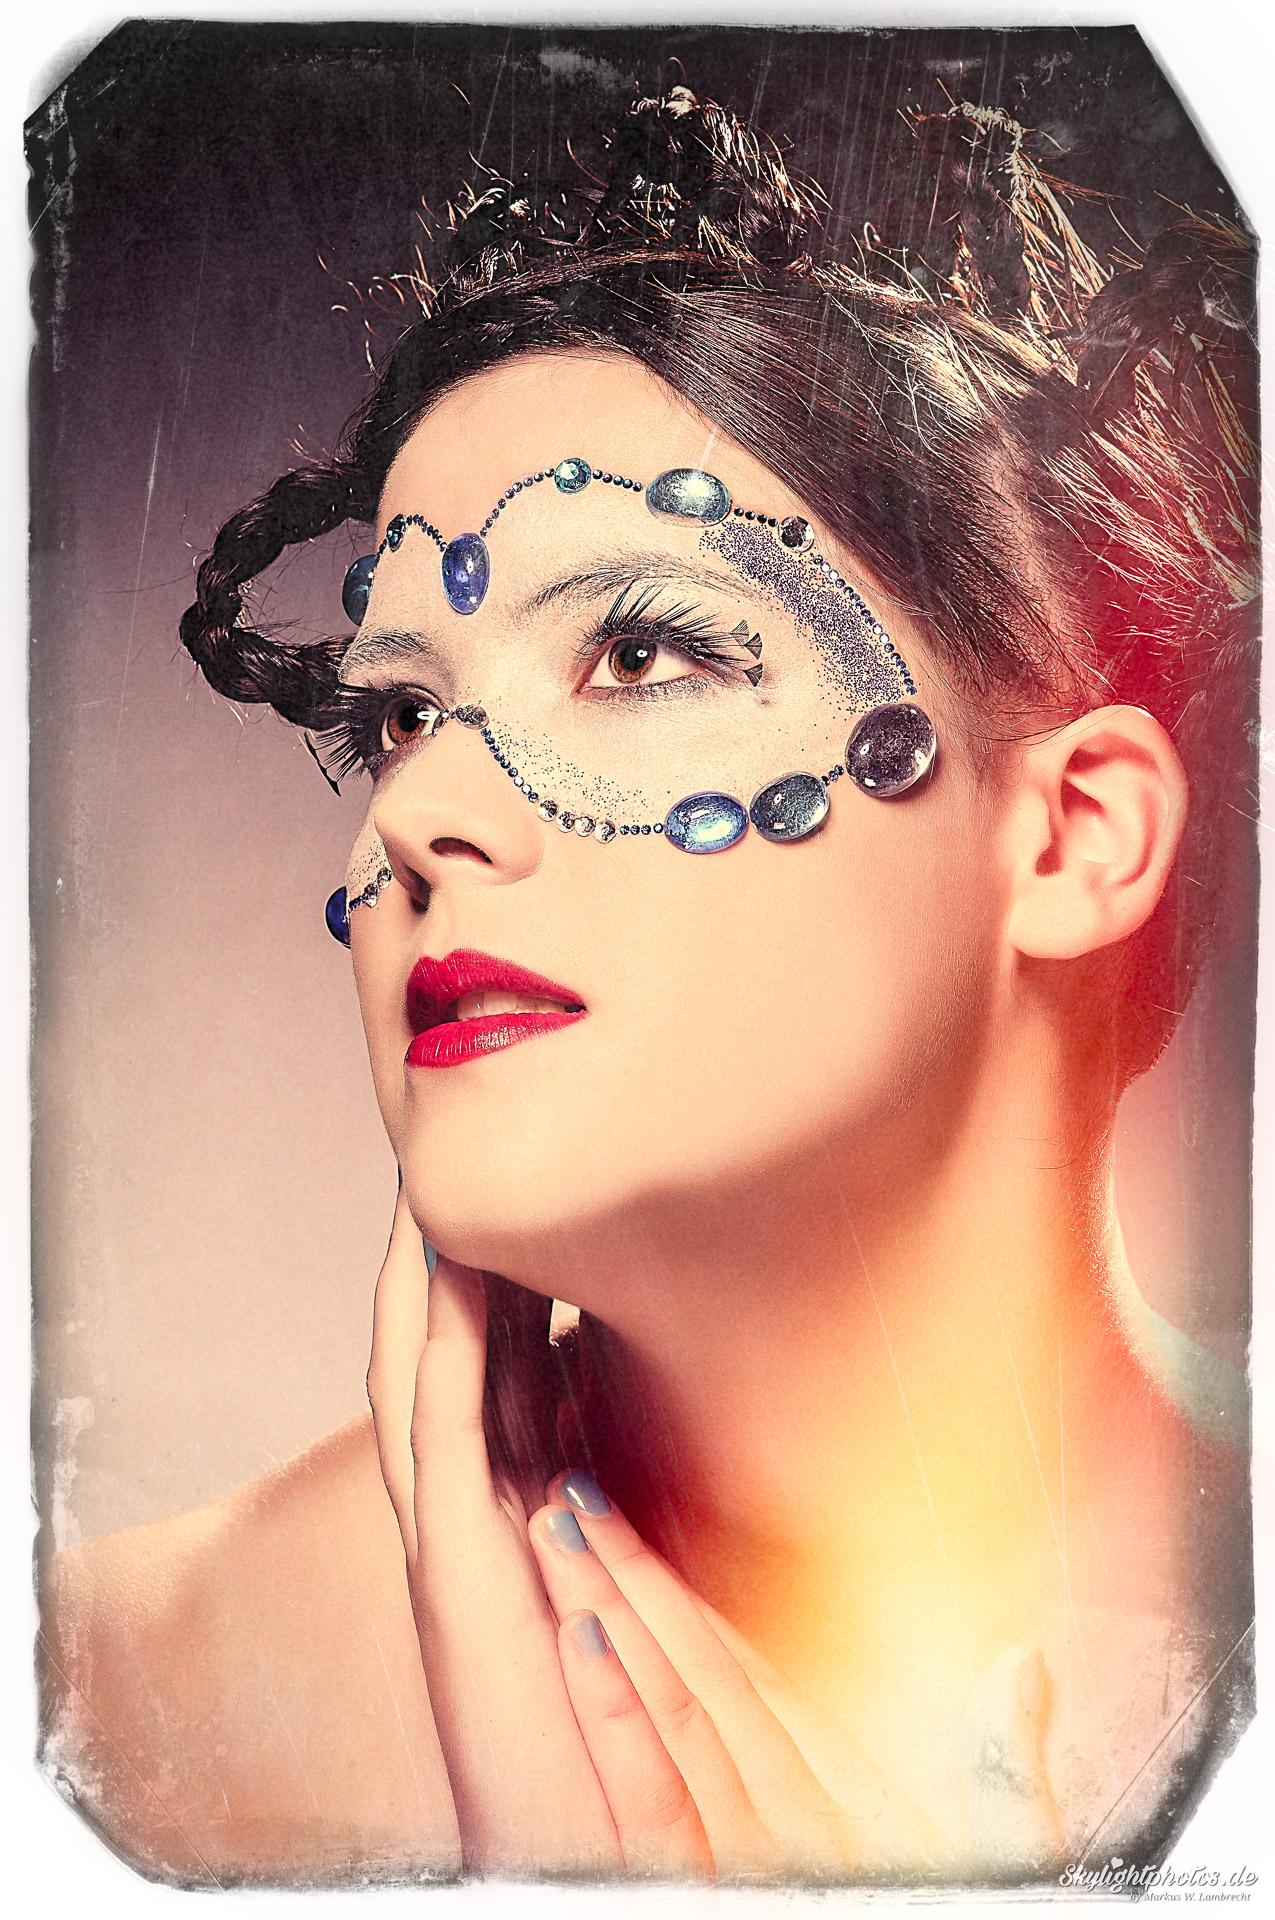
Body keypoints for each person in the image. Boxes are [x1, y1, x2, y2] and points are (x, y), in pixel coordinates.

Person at [39, 79, 1256, 1890]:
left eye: (639, 650)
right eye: (402, 715)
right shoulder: (109, 1703)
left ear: (1075, 837)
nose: (419, 816)